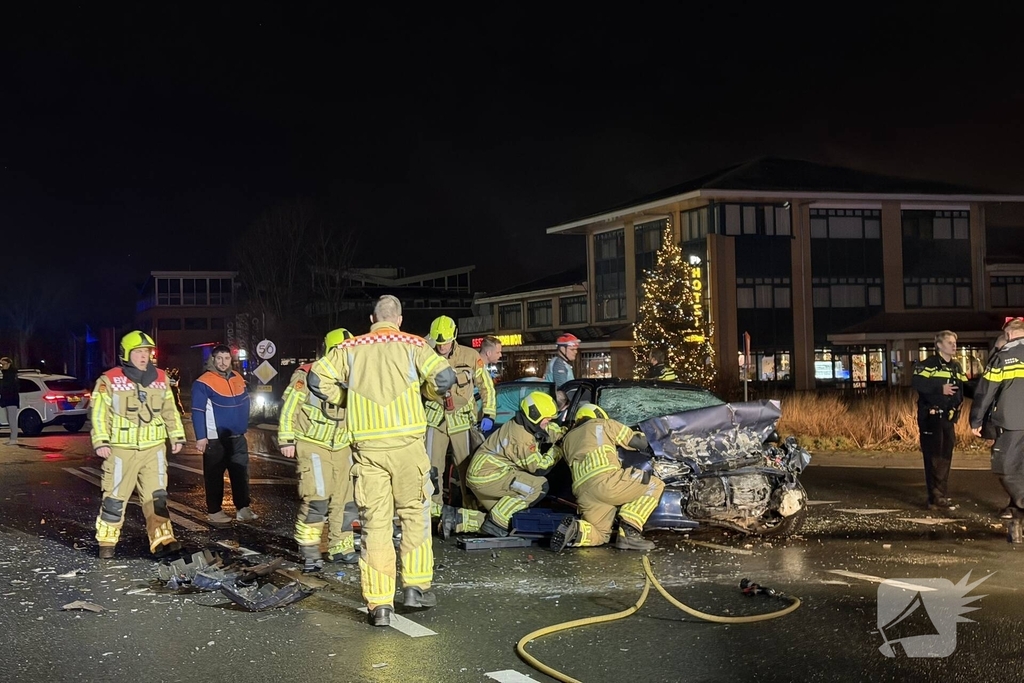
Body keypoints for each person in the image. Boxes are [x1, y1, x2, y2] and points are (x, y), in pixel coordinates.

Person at [308, 295, 456, 627]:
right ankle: (415, 587)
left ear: (373, 319)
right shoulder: (414, 344)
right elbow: (445, 378)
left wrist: (346, 398)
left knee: (375, 526)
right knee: (414, 517)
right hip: (408, 449)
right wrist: (426, 393)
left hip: (368, 452)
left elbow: (317, 380)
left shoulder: (350, 348)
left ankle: (380, 606)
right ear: (399, 319)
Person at [90, 331, 186, 559]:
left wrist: (177, 436)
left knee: (157, 497)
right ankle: (107, 541)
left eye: (147, 352)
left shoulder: (161, 378)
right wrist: (101, 440)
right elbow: (99, 413)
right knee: (115, 498)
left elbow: (170, 410)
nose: (144, 356)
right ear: (126, 354)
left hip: (154, 448)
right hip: (121, 449)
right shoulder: (109, 380)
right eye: (138, 352)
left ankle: (162, 540)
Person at [279, 328, 358, 572]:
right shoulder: (306, 374)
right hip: (313, 444)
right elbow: (290, 407)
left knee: (346, 501)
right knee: (318, 498)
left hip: (343, 446)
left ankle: (341, 546)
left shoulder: (355, 378)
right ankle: (310, 549)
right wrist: (286, 439)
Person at [550, 403, 665, 552]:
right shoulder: (604, 424)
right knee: (654, 484)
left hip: (584, 493)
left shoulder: (567, 440)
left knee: (600, 534)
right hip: (607, 482)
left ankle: (576, 530)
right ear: (599, 415)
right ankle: (629, 532)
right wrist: (657, 440)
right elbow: (638, 441)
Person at [460, 392, 562, 538]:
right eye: (547, 419)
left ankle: (456, 518)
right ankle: (497, 524)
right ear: (535, 416)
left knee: (506, 515)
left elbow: (546, 429)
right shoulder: (522, 439)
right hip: (490, 476)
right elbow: (539, 468)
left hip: (481, 474)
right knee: (538, 486)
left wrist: (562, 432)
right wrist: (558, 449)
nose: (549, 422)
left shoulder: (521, 423)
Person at [423, 315, 495, 516]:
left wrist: (489, 413)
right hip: (435, 419)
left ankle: (470, 511)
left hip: (462, 420)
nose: (442, 347)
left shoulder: (470, 356)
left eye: (445, 342)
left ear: (454, 336)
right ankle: (434, 512)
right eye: (438, 343)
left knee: (467, 468)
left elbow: (486, 386)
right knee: (432, 468)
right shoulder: (425, 355)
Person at [971, 318, 1024, 542]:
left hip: (1012, 423)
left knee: (1006, 468)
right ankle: (1017, 525)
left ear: (1008, 335)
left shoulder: (1003, 357)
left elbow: (986, 391)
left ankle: (1020, 509)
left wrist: (976, 420)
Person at [191, 344, 254, 527]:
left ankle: (243, 508)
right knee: (214, 476)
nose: (223, 362)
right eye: (219, 358)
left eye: (226, 358)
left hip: (237, 437)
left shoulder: (237, 378)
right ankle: (214, 511)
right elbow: (197, 411)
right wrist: (201, 437)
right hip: (215, 438)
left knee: (240, 473)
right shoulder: (203, 382)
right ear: (213, 359)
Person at [911, 330, 967, 510]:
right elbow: (917, 383)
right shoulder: (928, 364)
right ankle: (934, 497)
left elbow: (966, 387)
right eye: (950, 342)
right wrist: (940, 388)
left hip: (948, 418)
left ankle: (940, 495)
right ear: (939, 345)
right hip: (931, 417)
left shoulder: (956, 367)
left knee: (945, 456)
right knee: (933, 457)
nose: (954, 345)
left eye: (955, 342)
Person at [0, 356, 19, 445]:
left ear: (8, 364)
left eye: (3, 364)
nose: (2, 366)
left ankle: (13, 439)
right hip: (9, 399)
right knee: (10, 419)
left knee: (12, 420)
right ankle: (13, 438)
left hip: (11, 399)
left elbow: (8, 387)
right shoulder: (7, 374)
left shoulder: (10, 374)